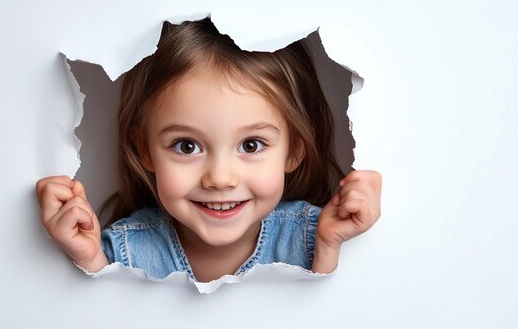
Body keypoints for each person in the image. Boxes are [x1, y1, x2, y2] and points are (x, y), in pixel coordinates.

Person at [36, 18, 381, 283]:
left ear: (294, 151)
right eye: (187, 146)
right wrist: (89, 262)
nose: (219, 178)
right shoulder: (124, 250)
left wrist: (330, 250)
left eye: (251, 145)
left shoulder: (312, 236)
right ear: (144, 150)